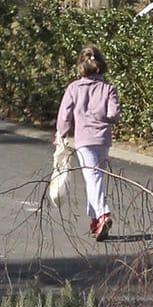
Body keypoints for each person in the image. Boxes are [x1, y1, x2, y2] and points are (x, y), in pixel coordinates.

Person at [56, 44, 121, 241]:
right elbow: (113, 115)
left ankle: (103, 213)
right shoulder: (109, 88)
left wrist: (62, 134)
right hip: (103, 139)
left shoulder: (74, 88)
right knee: (96, 177)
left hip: (84, 139)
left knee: (92, 177)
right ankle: (94, 218)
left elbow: (65, 115)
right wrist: (102, 116)